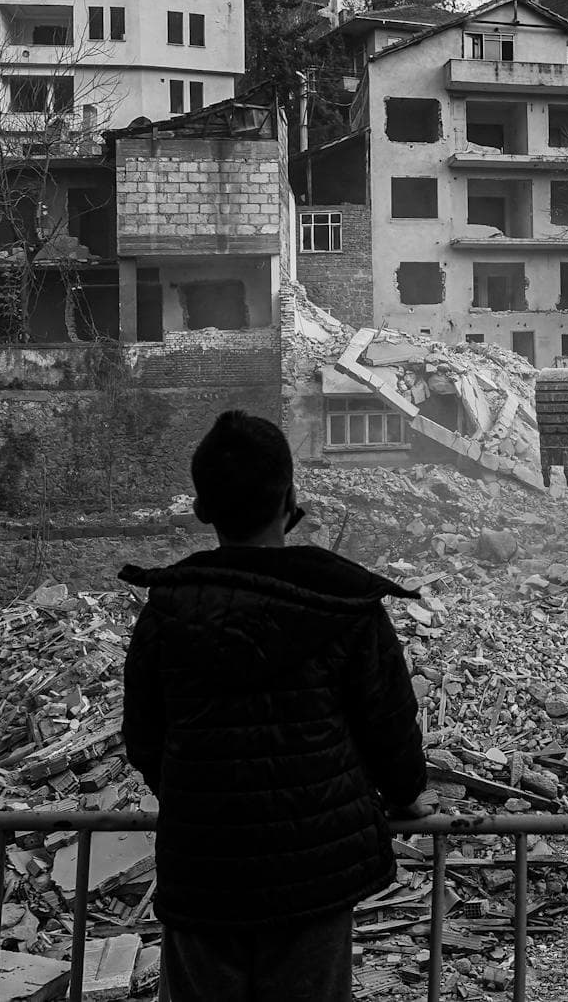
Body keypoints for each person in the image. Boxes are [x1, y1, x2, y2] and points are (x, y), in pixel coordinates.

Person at [120, 410, 430, 1002]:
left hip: (204, 874)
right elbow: (388, 723)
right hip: (311, 885)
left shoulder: (168, 609)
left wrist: (201, 798)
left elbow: (144, 737)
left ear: (202, 508)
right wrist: (406, 793)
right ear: (291, 500)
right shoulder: (342, 605)